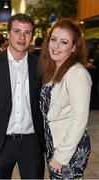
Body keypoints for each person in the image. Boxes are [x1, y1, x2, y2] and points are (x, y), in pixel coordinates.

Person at [0, 13, 45, 179]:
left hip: (31, 143)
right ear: (8, 34)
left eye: (27, 32)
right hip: (0, 142)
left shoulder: (40, 65)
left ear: (32, 36)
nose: (22, 36)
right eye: (17, 31)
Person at [39, 18, 92, 179]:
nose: (55, 46)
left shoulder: (77, 73)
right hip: (54, 142)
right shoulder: (53, 70)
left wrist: (61, 156)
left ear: (74, 47)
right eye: (53, 39)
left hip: (69, 147)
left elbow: (80, 119)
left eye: (63, 42)